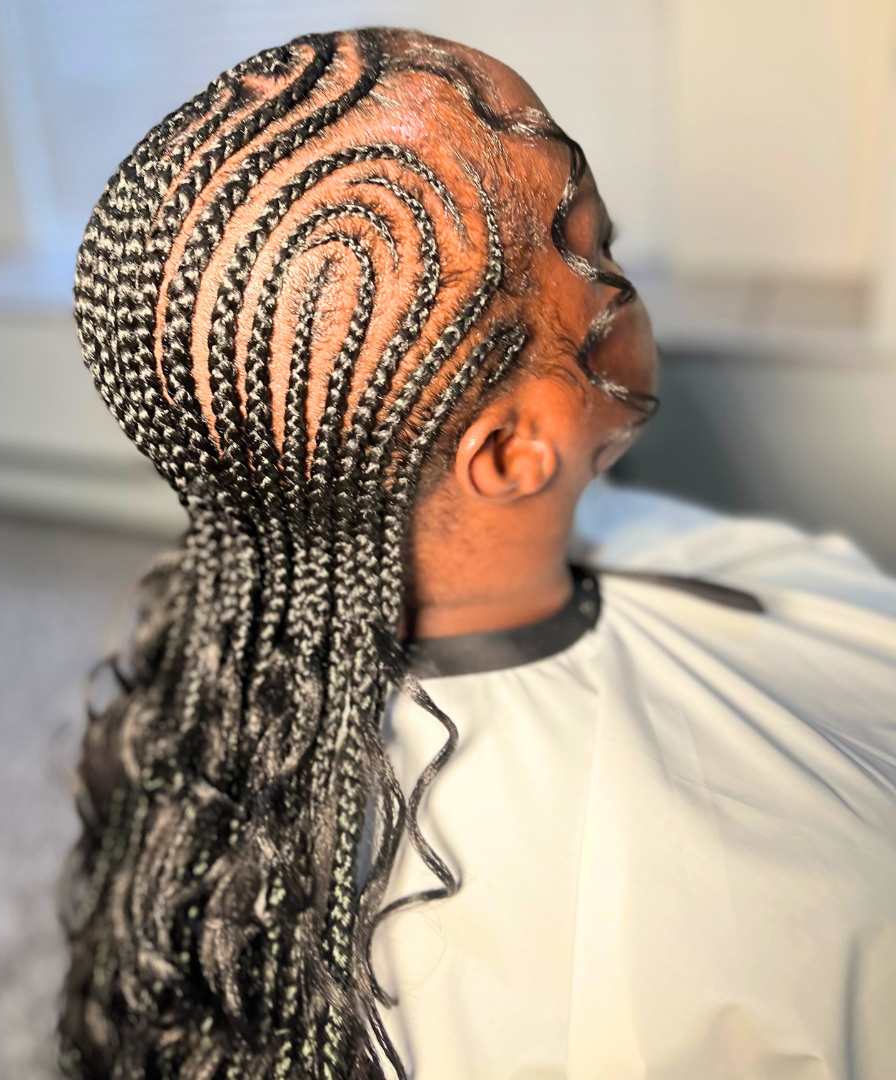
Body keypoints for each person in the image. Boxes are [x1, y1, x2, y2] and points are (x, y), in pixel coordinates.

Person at [56, 27, 896, 1079]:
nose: (623, 275)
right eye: (602, 259)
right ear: (510, 453)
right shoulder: (796, 906)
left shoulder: (201, 711)